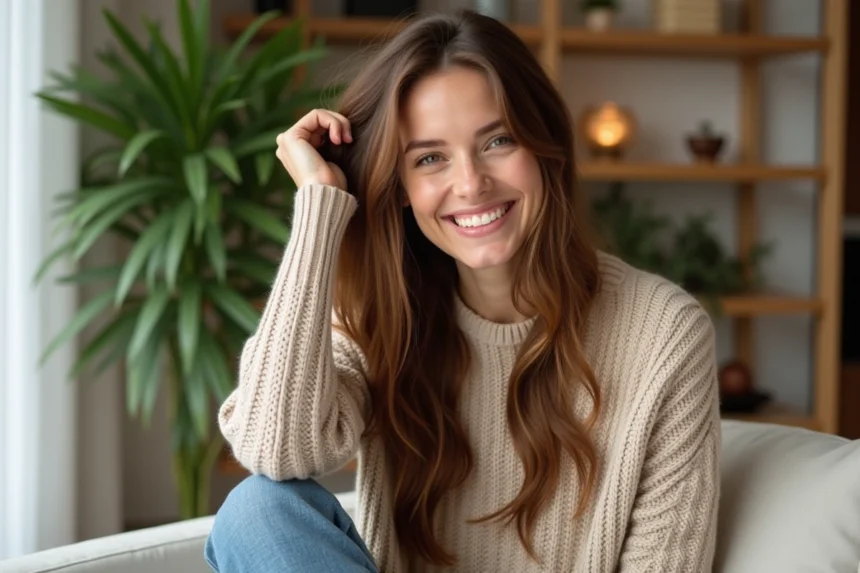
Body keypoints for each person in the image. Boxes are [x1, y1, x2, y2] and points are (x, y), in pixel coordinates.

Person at [204, 9, 720, 573]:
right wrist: (320, 209)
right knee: (257, 511)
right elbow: (275, 451)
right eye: (429, 158)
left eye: (497, 140)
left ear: (545, 148)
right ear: (398, 186)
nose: (470, 183)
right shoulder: (381, 311)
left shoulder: (664, 332)